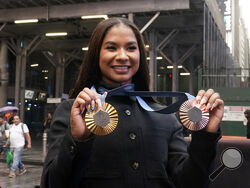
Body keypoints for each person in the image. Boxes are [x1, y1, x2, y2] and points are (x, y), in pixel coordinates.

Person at [41, 17, 224, 188]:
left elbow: (191, 183)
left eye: (131, 48)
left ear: (140, 55)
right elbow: (51, 183)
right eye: (111, 48)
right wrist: (77, 140)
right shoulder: (74, 112)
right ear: (96, 55)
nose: (122, 56)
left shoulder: (166, 118)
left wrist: (206, 135)